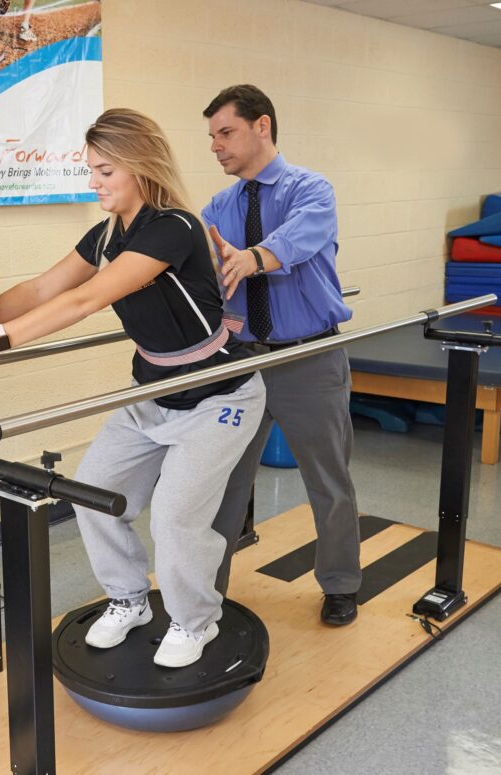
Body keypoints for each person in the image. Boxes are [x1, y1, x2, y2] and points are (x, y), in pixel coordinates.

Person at [0, 109, 266, 668]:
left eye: (105, 171)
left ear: (139, 167)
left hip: (219, 395)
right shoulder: (107, 233)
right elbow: (45, 287)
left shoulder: (174, 228)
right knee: (90, 490)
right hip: (152, 395)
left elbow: (84, 301)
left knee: (173, 517)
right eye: (91, 171)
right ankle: (129, 599)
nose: (94, 183)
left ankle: (196, 621)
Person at [201, 84, 361, 626]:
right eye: (212, 137)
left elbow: (298, 240)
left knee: (328, 480)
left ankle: (341, 584)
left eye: (226, 133)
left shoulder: (310, 190)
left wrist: (250, 258)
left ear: (262, 126)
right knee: (223, 484)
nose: (216, 146)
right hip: (242, 360)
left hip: (309, 359)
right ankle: (206, 595)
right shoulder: (217, 208)